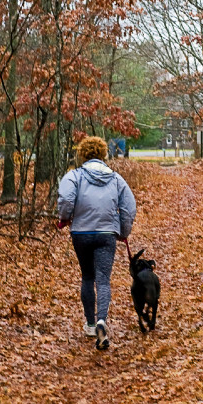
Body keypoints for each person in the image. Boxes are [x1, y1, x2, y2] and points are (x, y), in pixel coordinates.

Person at [57, 136, 136, 350]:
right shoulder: (116, 179)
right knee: (103, 280)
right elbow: (129, 207)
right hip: (106, 234)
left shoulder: (74, 176)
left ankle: (91, 325)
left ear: (82, 154)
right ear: (103, 154)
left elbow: (65, 199)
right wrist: (123, 231)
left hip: (81, 233)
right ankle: (102, 320)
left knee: (87, 276)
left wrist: (64, 218)